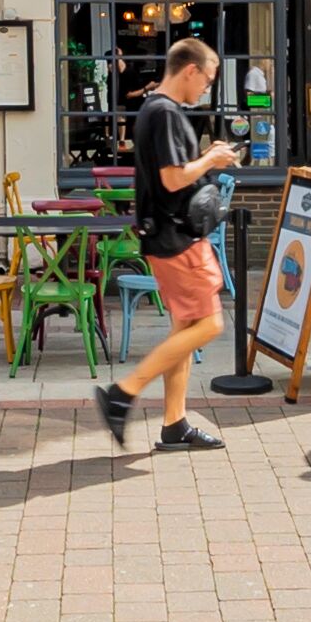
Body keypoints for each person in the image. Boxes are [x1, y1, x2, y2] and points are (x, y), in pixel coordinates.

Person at [94, 39, 243, 453]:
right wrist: (211, 161)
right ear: (190, 70)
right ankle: (123, 392)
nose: (206, 90)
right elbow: (174, 179)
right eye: (207, 80)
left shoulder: (155, 110)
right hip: (177, 237)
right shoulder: (164, 112)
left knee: (185, 327)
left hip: (164, 234)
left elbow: (175, 170)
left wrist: (207, 154)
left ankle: (174, 425)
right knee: (209, 324)